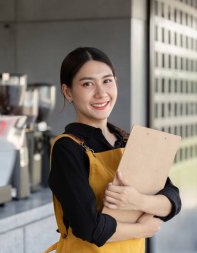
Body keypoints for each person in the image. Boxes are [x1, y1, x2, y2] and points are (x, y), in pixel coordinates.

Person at [46, 47, 181, 253]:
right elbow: (90, 228)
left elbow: (172, 200)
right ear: (68, 92)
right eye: (88, 84)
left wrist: (137, 200)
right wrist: (142, 228)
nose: (101, 93)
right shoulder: (67, 148)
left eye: (107, 81)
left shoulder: (129, 140)